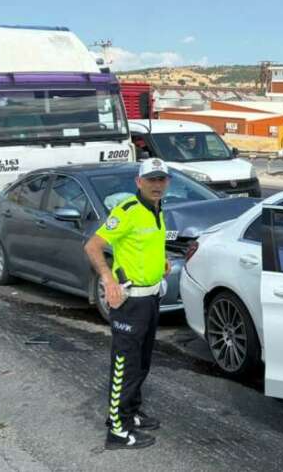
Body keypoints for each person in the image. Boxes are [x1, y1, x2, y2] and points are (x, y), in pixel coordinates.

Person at [84, 158, 173, 450]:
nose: (157, 185)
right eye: (151, 180)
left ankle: (131, 413)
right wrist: (109, 281)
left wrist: (161, 262)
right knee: (125, 364)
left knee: (142, 362)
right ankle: (117, 430)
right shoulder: (127, 211)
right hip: (129, 302)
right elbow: (93, 245)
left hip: (151, 298)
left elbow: (145, 245)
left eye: (161, 179)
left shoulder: (158, 210)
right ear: (139, 182)